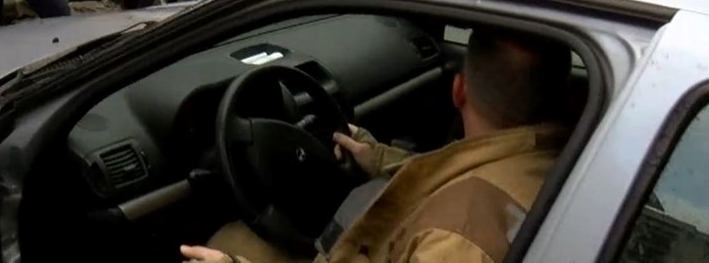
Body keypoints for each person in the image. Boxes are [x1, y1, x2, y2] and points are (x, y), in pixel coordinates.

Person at [181, 28, 573, 263]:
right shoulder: (556, 158)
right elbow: (458, 174)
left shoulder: (455, 244)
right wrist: (381, 159)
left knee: (231, 239)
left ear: (459, 90)